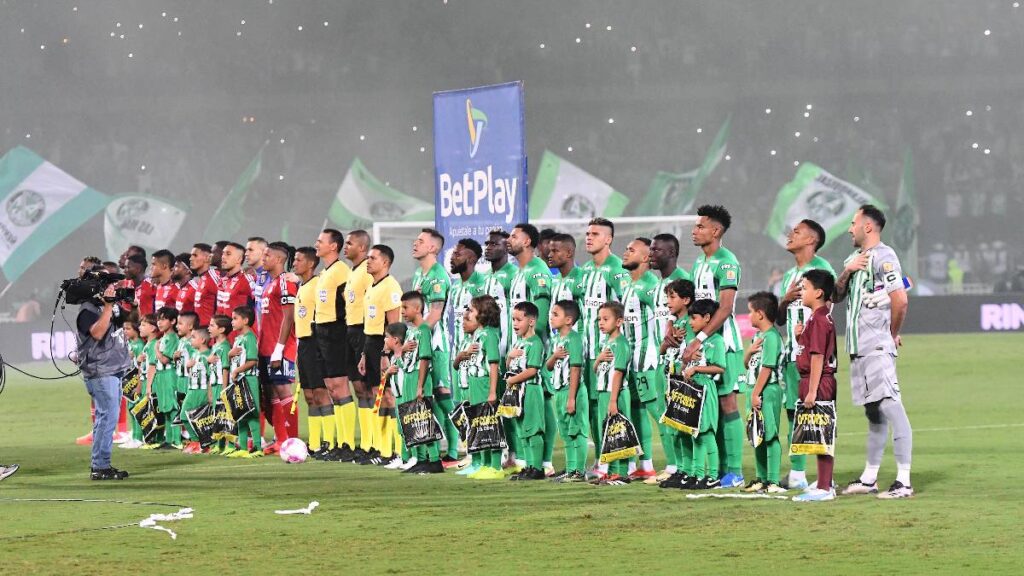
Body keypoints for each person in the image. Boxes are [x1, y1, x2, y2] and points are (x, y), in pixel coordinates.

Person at [834, 205, 914, 499]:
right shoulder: (852, 260)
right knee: (874, 413)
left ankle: (904, 481)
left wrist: (891, 335)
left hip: (877, 346)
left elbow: (900, 300)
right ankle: (869, 478)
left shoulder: (885, 256)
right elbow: (836, 296)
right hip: (857, 348)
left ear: (868, 227)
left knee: (892, 407)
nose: (849, 229)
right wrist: (847, 270)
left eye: (853, 223)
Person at [684, 204, 745, 488]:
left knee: (727, 402)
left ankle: (734, 470)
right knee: (710, 405)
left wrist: (700, 339)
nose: (694, 231)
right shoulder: (699, 263)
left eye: (700, 226)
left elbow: (725, 308)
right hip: (706, 342)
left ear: (716, 231)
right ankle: (719, 467)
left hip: (726, 343)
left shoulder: (727, 261)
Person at [776, 218, 835, 489]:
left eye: (797, 232)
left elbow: (834, 301)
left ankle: (825, 479)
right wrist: (785, 300)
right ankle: (798, 473)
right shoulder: (790, 276)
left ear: (811, 240)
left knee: (819, 413)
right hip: (793, 354)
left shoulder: (821, 269)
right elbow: (779, 318)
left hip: (815, 354)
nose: (790, 234)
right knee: (794, 412)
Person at [578, 218, 630, 464]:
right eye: (588, 233)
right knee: (592, 405)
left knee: (618, 405)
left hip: (609, 352)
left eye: (595, 234)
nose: (589, 237)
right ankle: (602, 458)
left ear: (608, 239)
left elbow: (626, 309)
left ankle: (629, 461)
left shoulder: (618, 269)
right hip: (589, 351)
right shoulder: (586, 270)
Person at [507, 223, 554, 473]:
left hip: (536, 347)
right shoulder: (518, 272)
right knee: (524, 404)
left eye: (514, 236)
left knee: (541, 402)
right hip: (520, 346)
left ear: (527, 242)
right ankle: (530, 461)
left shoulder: (537, 271)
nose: (509, 239)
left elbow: (542, 318)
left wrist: (531, 343)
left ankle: (544, 462)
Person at [411, 228, 459, 467]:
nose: (414, 244)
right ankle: (443, 449)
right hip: (423, 341)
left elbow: (436, 313)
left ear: (433, 248)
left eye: (420, 241)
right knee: (432, 397)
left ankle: (456, 449)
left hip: (437, 342)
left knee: (443, 394)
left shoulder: (438, 275)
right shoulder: (418, 275)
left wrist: (416, 335)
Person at [75, 276, 133, 480]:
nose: (112, 289)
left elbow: (132, 319)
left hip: (114, 367)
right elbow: (98, 333)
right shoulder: (88, 310)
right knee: (107, 417)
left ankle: (100, 465)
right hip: (100, 370)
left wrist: (126, 302)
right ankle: (100, 466)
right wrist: (108, 307)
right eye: (108, 286)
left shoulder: (110, 305)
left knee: (107, 417)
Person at [791, 270, 839, 502]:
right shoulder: (816, 317)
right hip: (812, 381)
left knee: (821, 433)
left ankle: (825, 487)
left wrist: (812, 390)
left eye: (806, 287)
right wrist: (800, 337)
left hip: (817, 382)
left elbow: (818, 356)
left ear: (818, 292)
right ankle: (824, 482)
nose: (802, 291)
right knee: (815, 433)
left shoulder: (820, 319)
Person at [620, 237, 664, 480]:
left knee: (658, 410)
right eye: (626, 248)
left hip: (647, 359)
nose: (626, 253)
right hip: (630, 359)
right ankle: (645, 464)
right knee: (636, 410)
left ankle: (678, 465)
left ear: (646, 258)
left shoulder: (651, 286)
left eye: (632, 250)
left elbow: (662, 322)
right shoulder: (627, 285)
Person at [359, 244, 405, 466]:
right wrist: (364, 354)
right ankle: (382, 449)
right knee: (374, 394)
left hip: (382, 345)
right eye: (368, 257)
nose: (368, 261)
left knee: (388, 396)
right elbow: (371, 324)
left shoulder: (391, 287)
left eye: (373, 258)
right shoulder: (372, 286)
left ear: (385, 262)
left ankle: (396, 451)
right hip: (370, 343)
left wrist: (387, 353)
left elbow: (394, 326)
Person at [313, 229, 357, 462]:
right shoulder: (325, 272)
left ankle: (348, 443)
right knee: (331, 387)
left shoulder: (342, 271)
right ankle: (339, 442)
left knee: (340, 386)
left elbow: (347, 304)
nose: (316, 244)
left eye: (320, 241)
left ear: (333, 246)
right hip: (321, 331)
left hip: (336, 331)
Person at [452, 295, 504, 480]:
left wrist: (492, 391)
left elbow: (493, 364)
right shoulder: (477, 335)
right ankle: (483, 463)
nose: (467, 313)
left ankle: (495, 466)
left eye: (472, 310)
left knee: (490, 424)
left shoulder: (489, 334)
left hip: (483, 385)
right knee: (479, 425)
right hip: (474, 385)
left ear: (483, 314)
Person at [393, 291, 443, 473]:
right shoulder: (411, 332)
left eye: (405, 308)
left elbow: (424, 358)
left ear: (417, 308)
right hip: (408, 378)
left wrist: (420, 385)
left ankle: (435, 460)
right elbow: (404, 359)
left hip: (418, 380)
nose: (402, 311)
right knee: (412, 421)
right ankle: (421, 459)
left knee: (423, 420)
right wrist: (401, 350)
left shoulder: (423, 331)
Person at [292, 246, 334, 460]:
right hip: (304, 344)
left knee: (320, 393)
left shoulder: (318, 285)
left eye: (298, 260)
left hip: (316, 342)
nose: (294, 263)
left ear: (310, 263)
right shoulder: (302, 286)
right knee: (309, 396)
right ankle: (315, 443)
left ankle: (329, 441)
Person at [743, 292, 787, 494]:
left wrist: (756, 394)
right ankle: (761, 479)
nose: (748, 315)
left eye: (751, 311)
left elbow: (767, 368)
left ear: (760, 314)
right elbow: (749, 365)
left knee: (770, 435)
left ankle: (774, 480)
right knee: (757, 434)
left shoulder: (771, 337)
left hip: (767, 391)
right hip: (755, 389)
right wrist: (749, 352)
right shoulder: (757, 337)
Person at [258, 242, 299, 454]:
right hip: (265, 347)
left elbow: (289, 316)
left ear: (279, 259)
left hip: (279, 348)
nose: (263, 258)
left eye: (267, 255)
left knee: (284, 390)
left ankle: (294, 442)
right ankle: (281, 441)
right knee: (270, 393)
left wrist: (279, 348)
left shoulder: (285, 282)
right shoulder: (270, 283)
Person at [682, 299, 725, 490]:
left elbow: (720, 368)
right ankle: (698, 474)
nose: (690, 322)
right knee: (695, 434)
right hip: (693, 390)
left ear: (707, 318)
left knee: (707, 434)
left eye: (694, 318)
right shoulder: (694, 342)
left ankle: (713, 475)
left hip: (706, 390)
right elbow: (685, 365)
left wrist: (697, 369)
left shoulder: (716, 341)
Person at [657, 278, 695, 489]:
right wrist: (668, 338)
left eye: (672, 297)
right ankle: (681, 469)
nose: (668, 302)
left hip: (682, 381)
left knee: (684, 427)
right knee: (674, 427)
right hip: (669, 379)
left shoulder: (691, 322)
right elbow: (661, 350)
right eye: (667, 297)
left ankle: (689, 471)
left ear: (686, 299)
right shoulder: (673, 323)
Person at [591, 301, 632, 486]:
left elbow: (618, 372)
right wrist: (598, 359)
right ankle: (609, 471)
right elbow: (595, 369)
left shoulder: (621, 344)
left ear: (619, 321)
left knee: (619, 433)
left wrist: (613, 400)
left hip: (616, 394)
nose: (601, 322)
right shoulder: (607, 342)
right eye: (599, 319)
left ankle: (621, 472)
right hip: (603, 394)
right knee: (606, 433)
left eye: (605, 319)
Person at [546, 299, 588, 483]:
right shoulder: (556, 339)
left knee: (576, 432)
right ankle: (571, 469)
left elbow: (575, 368)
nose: (551, 317)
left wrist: (572, 398)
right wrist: (554, 356)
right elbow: (547, 366)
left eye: (556, 314)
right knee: (565, 434)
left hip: (573, 392)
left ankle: (579, 471)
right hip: (559, 392)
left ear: (569, 320)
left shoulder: (574, 338)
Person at [506, 301, 547, 481]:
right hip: (518, 391)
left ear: (531, 322)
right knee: (522, 430)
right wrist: (509, 356)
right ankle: (528, 467)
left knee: (533, 429)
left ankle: (537, 469)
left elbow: (532, 370)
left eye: (518, 319)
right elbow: (510, 366)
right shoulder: (519, 343)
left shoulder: (535, 342)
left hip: (531, 390)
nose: (514, 323)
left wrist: (512, 380)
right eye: (513, 319)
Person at [342, 230, 373, 461]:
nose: (345, 246)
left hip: (364, 330)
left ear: (361, 247)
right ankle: (365, 443)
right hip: (350, 330)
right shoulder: (353, 271)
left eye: (349, 243)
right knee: (359, 389)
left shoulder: (367, 272)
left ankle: (375, 443)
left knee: (369, 388)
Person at [447, 238, 487, 390]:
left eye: (457, 254)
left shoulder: (481, 284)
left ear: (471, 259)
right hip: (457, 355)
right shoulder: (455, 286)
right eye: (452, 254)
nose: (452, 258)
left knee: (476, 407)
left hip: (474, 356)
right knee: (459, 407)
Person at [227, 306, 262, 459]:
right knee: (240, 413)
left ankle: (257, 447)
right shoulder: (238, 339)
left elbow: (253, 360)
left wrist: (237, 371)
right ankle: (242, 447)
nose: (232, 322)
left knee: (251, 413)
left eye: (235, 318)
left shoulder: (250, 337)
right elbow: (234, 359)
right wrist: (229, 354)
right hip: (238, 381)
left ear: (246, 320)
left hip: (249, 380)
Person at [482, 229, 517, 356]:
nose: (488, 248)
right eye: (487, 244)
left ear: (507, 248)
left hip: (509, 345)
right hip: (488, 344)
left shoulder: (515, 274)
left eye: (494, 244)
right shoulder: (484, 277)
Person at [151, 307, 182, 449]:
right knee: (165, 408)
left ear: (173, 321)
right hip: (161, 375)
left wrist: (156, 349)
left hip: (170, 374)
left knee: (173, 407)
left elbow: (164, 359)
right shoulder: (163, 338)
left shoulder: (173, 338)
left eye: (163, 319)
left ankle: (177, 440)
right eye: (158, 319)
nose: (159, 322)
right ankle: (168, 439)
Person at [181, 327, 213, 454]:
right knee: (185, 416)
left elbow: (211, 375)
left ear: (203, 340)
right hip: (192, 389)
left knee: (201, 418)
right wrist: (188, 368)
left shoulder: (209, 356)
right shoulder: (194, 354)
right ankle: (196, 441)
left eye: (193, 337)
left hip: (201, 390)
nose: (190, 340)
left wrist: (209, 393)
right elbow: (194, 373)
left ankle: (203, 443)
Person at [206, 315, 234, 455]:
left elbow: (225, 368)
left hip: (221, 386)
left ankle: (231, 444)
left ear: (222, 329)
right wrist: (210, 389)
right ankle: (219, 443)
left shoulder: (225, 347)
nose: (208, 328)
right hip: (214, 384)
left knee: (226, 415)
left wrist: (224, 389)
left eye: (212, 325)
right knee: (217, 415)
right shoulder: (215, 346)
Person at [215, 243, 254, 317]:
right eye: (223, 253)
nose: (223, 257)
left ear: (239, 259)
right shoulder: (221, 281)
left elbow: (258, 307)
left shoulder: (246, 279)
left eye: (228, 254)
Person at [190, 243, 219, 327]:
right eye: (191, 255)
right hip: (200, 331)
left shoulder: (214, 277)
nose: (191, 258)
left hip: (209, 332)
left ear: (207, 258)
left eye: (195, 255)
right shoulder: (202, 278)